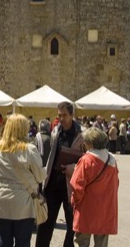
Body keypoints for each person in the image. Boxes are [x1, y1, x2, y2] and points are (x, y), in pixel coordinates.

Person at [0, 114, 45, 247]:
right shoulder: (29, 149)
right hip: (23, 203)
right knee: (23, 242)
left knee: (4, 242)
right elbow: (40, 176)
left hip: (2, 202)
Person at [36, 102, 85, 247]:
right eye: (59, 115)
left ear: (72, 115)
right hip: (53, 182)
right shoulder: (55, 131)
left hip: (71, 184)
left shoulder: (82, 135)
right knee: (46, 222)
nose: (61, 118)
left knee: (71, 224)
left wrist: (74, 167)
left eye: (64, 115)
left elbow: (87, 159)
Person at [69, 127, 119, 247]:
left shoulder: (86, 160)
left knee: (82, 242)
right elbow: (116, 184)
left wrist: (74, 202)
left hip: (87, 208)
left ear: (90, 143)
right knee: (101, 243)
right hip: (106, 209)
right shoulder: (112, 160)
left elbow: (77, 186)